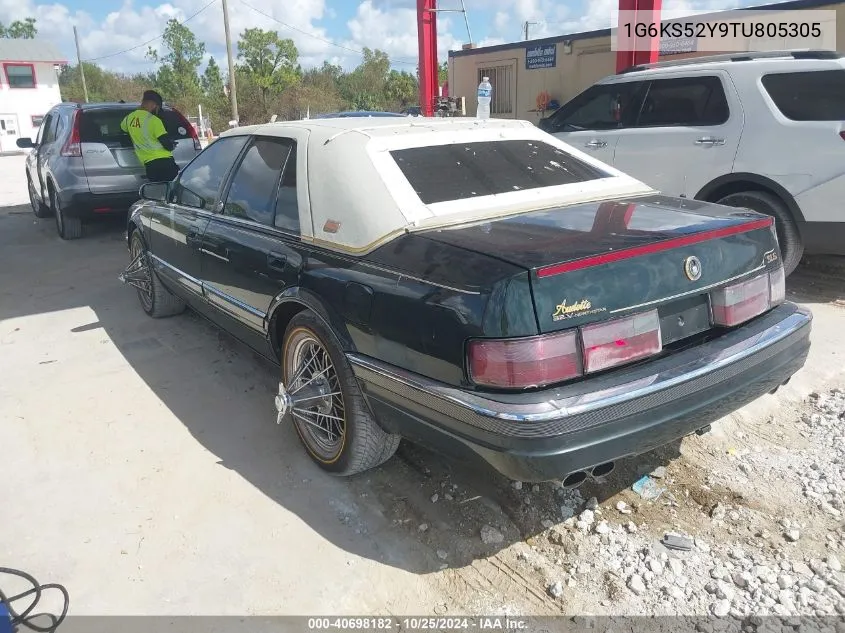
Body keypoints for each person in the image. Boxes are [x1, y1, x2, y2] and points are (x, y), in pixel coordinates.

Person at [120, 90, 179, 182]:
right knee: (171, 191)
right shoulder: (154, 120)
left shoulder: (128, 119)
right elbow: (167, 145)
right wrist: (172, 145)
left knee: (156, 191)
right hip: (165, 163)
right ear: (154, 105)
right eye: (158, 107)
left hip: (149, 165)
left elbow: (124, 129)